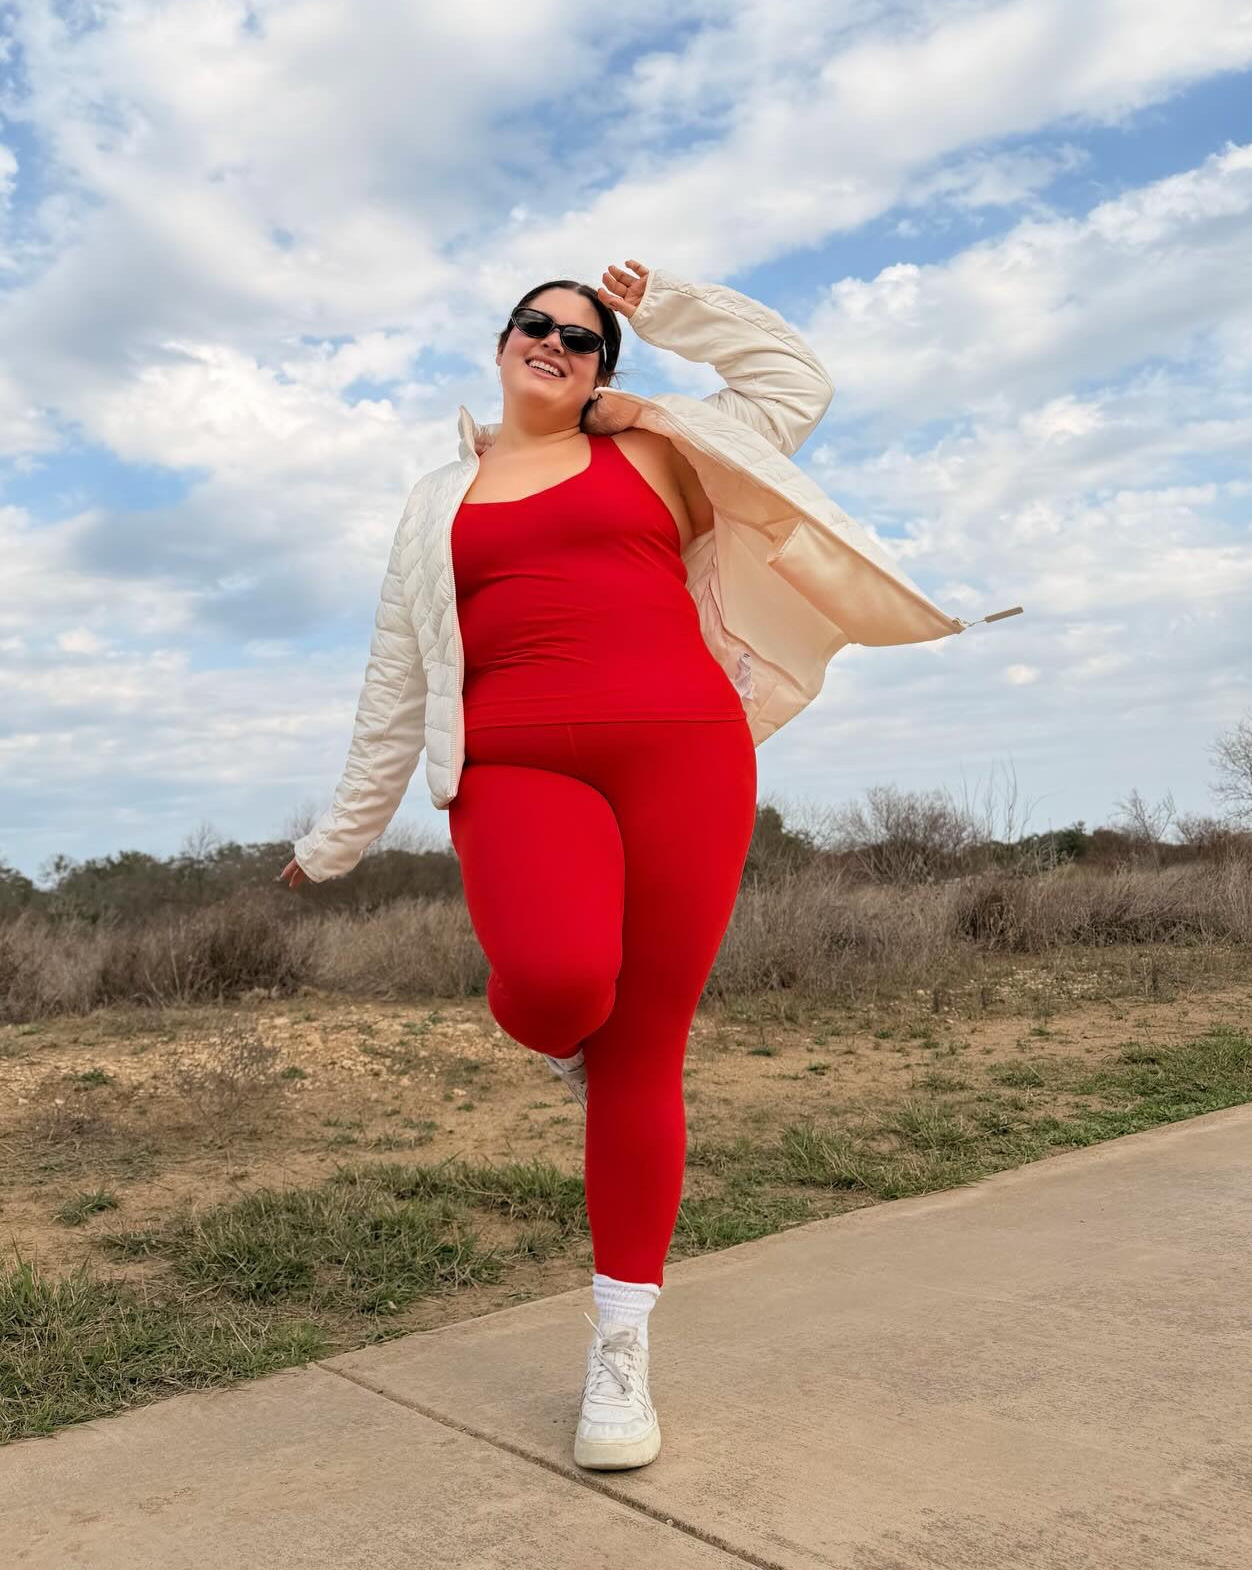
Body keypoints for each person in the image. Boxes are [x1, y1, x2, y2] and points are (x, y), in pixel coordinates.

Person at [279, 255, 1021, 1473]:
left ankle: (620, 1349)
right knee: (564, 985)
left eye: (582, 336)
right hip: (518, 769)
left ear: (603, 368)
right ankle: (554, 1027)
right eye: (536, 324)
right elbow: (396, 682)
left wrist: (665, 308)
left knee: (647, 1050)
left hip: (687, 756)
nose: (555, 342)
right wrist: (336, 839)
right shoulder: (433, 502)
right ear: (501, 342)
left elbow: (794, 380)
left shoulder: (659, 450)